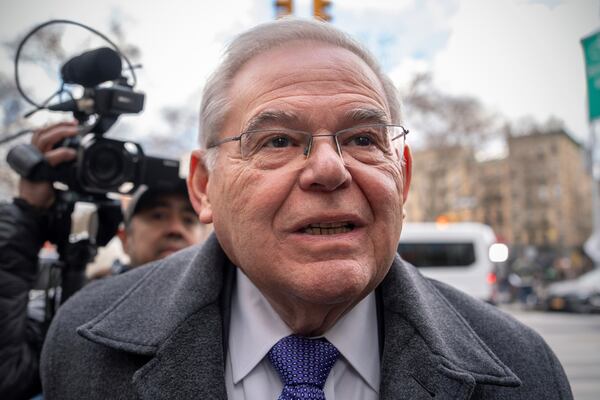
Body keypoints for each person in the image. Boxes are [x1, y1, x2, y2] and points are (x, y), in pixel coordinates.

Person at [40, 18, 572, 399]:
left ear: (402, 175)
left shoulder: (525, 370)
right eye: (276, 141)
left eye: (363, 138)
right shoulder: (82, 345)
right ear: (203, 188)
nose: (329, 169)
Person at [0, 122, 205, 399]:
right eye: (157, 215)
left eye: (189, 219)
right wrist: (27, 214)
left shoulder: (225, 311)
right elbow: (8, 374)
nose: (174, 228)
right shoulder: (74, 309)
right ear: (124, 236)